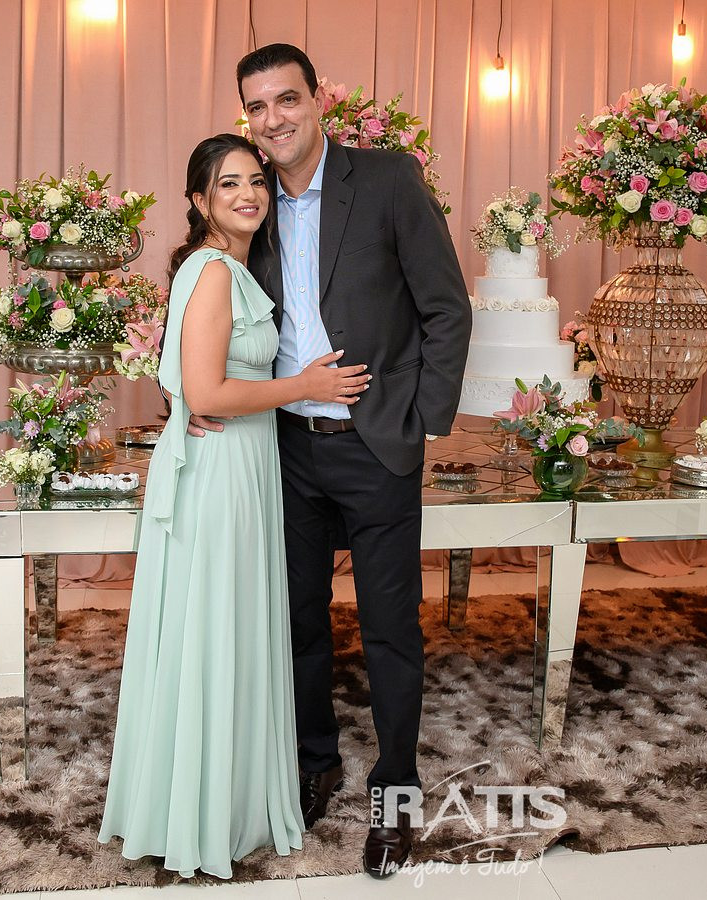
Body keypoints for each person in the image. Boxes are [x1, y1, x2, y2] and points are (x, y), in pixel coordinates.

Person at [189, 44, 471, 878]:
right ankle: (314, 765)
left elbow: (445, 308)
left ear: (317, 100)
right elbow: (208, 308)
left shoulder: (384, 180)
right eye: (257, 106)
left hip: (376, 443)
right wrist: (194, 399)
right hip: (282, 447)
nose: (273, 118)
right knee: (298, 621)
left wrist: (422, 421)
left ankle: (396, 792)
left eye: (287, 99)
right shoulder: (248, 202)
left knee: (390, 628)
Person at [97, 133, 372, 879]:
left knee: (228, 629)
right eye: (228, 184)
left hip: (245, 461)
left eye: (256, 181)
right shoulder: (214, 271)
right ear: (199, 200)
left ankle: (221, 797)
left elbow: (198, 387)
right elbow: (208, 392)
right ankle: (203, 811)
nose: (248, 194)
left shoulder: (234, 269)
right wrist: (305, 387)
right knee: (214, 630)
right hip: (220, 472)